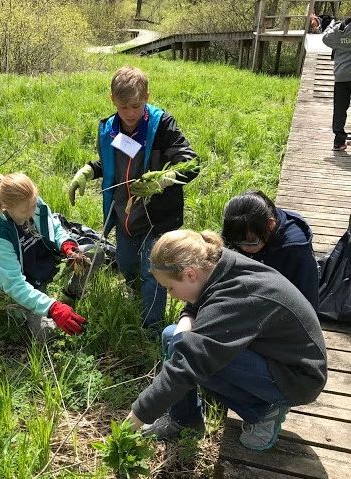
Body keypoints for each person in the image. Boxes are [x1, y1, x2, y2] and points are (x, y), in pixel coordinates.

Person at [126, 229, 327, 451]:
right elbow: (200, 299)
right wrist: (184, 323)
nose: (171, 295)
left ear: (190, 273)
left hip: (297, 377)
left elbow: (187, 366)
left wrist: (132, 422)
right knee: (172, 336)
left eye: (170, 288)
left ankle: (264, 411)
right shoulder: (216, 263)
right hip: (272, 352)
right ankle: (185, 420)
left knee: (193, 359)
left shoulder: (238, 295)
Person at [68, 66, 199, 331]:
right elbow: (111, 164)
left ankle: (151, 329)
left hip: (157, 216)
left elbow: (190, 162)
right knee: (127, 265)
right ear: (112, 100)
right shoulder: (108, 128)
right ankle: (136, 295)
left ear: (147, 96)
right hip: (124, 214)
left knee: (154, 270)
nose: (129, 114)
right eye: (123, 106)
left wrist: (162, 180)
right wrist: (89, 170)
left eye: (136, 106)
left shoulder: (162, 125)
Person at [0, 173, 97, 338]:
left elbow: (54, 227)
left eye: (34, 205)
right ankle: (22, 309)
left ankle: (71, 294)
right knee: (46, 334)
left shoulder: (33, 202)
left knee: (93, 253)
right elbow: (14, 283)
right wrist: (52, 308)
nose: (32, 212)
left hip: (49, 261)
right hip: (28, 281)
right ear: (6, 207)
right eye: (25, 210)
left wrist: (67, 246)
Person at [222, 190, 319, 311]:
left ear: (270, 225)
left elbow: (308, 298)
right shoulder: (238, 229)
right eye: (237, 243)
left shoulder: (296, 249)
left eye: (251, 242)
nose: (244, 248)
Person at [323, 17, 351, 151]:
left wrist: (331, 25)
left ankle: (339, 141)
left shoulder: (339, 30)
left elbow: (325, 38)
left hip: (341, 76)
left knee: (340, 108)